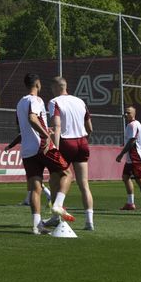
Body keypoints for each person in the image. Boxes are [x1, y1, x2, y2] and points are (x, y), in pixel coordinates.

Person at [16, 73, 71, 235]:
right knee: (67, 173)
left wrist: (46, 129)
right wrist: (47, 135)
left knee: (35, 188)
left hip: (27, 150)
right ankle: (58, 205)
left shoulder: (20, 103)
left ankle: (37, 226)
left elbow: (20, 126)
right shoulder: (36, 100)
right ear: (37, 84)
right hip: (42, 146)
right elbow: (33, 118)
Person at [48, 76, 95, 231]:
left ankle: (56, 210)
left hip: (66, 142)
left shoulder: (55, 102)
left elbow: (57, 126)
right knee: (84, 184)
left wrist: (55, 147)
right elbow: (90, 128)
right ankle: (89, 222)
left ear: (55, 88)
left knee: (55, 179)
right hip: (82, 142)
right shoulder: (80, 101)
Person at [116, 106, 141, 212]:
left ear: (134, 113)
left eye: (128, 113)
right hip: (130, 158)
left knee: (140, 181)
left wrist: (121, 154)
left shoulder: (133, 125)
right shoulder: (130, 125)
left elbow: (132, 141)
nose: (126, 114)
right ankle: (130, 203)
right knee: (125, 177)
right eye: (125, 113)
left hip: (135, 157)